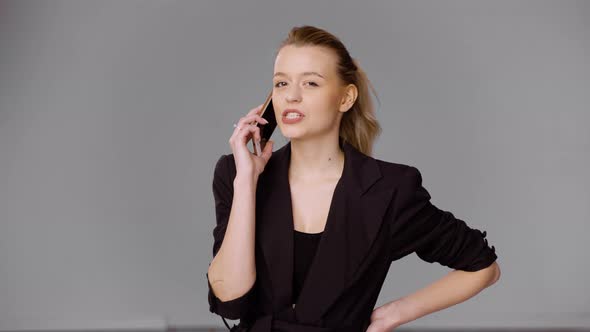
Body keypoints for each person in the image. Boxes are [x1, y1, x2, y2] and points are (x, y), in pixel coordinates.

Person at [206, 25, 500, 332]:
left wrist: (395, 313)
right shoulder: (236, 175)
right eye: (281, 84)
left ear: (345, 98)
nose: (291, 96)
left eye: (310, 83)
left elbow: (484, 267)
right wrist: (246, 182)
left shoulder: (389, 190)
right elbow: (230, 300)